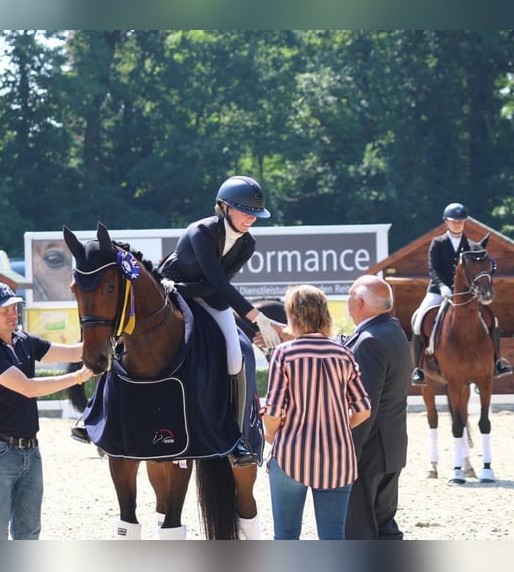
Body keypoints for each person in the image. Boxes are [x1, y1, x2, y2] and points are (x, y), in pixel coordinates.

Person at [159, 175, 283, 467]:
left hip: (202, 296)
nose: (251, 219)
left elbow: (218, 285)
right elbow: (217, 280)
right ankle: (93, 414)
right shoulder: (202, 231)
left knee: (234, 357)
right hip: (171, 296)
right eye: (245, 212)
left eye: (255, 214)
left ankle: (236, 436)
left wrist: (188, 289)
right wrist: (256, 316)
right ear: (225, 207)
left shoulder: (247, 244)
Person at [0, 281, 93, 540]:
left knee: (29, 534)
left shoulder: (24, 341)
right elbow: (28, 388)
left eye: (14, 307)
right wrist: (79, 378)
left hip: (31, 452)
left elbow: (72, 352)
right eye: (4, 309)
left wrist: (110, 337)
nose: (12, 313)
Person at [262, 284, 371, 540]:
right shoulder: (344, 354)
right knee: (333, 536)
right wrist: (337, 427)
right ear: (325, 314)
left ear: (292, 316)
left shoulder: (283, 354)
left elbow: (274, 412)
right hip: (338, 457)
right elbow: (363, 409)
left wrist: (271, 434)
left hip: (291, 454)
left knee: (287, 536)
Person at [410, 202, 512, 385]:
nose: (457, 224)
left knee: (493, 321)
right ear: (446, 222)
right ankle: (418, 369)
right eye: (453, 221)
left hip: (466, 295)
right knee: (418, 322)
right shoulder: (438, 243)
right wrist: (442, 286)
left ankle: (497, 362)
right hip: (439, 290)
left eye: (460, 221)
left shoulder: (472, 245)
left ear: (465, 223)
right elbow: (433, 269)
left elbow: (481, 267)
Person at [341, 275, 410, 540]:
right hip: (390, 448)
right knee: (384, 526)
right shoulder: (393, 329)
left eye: (349, 296)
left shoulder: (369, 340)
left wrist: (349, 457)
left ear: (358, 302)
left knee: (360, 530)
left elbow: (364, 407)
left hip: (368, 452)